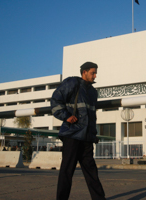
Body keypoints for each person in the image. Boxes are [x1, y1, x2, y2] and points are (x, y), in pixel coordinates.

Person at [51, 61, 105, 200]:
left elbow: (92, 117)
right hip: (72, 135)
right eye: (93, 72)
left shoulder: (93, 92)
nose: (95, 75)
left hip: (86, 138)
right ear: (84, 72)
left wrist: (93, 135)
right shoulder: (72, 83)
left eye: (95, 73)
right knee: (67, 171)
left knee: (92, 172)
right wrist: (66, 116)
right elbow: (55, 101)